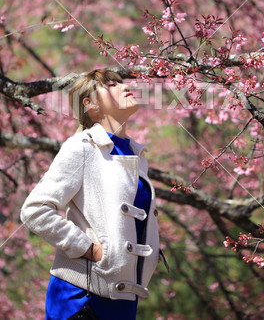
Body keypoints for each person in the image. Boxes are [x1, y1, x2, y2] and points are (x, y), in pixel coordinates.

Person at [20, 69, 165, 320]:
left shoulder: (137, 155)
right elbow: (34, 210)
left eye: (121, 82)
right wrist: (90, 250)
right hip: (80, 296)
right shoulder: (83, 146)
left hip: (124, 299)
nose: (123, 86)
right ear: (91, 104)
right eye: (111, 85)